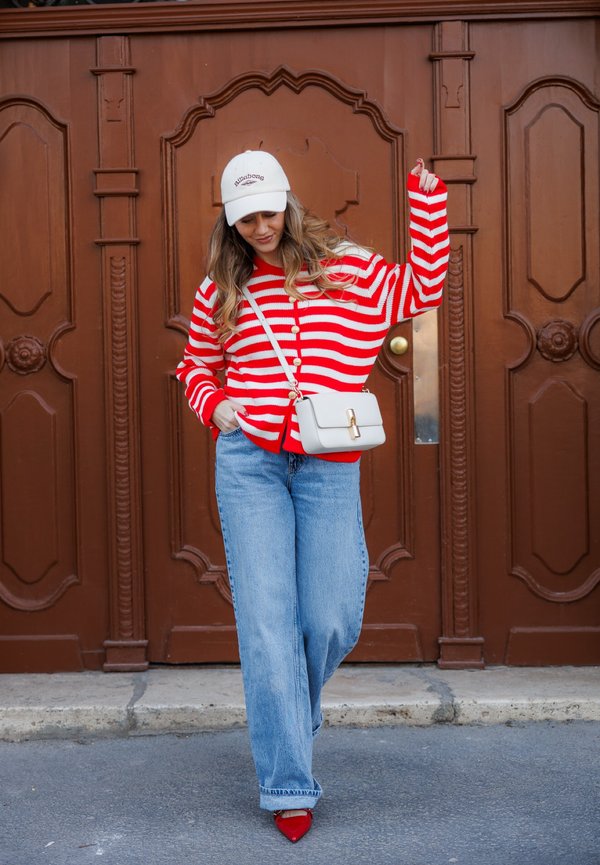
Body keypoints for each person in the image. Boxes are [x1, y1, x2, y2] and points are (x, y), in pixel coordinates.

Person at [176, 149, 449, 842]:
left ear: (288, 204)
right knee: (267, 623)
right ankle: (288, 782)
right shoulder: (222, 286)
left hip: (328, 462)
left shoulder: (348, 268)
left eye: (268, 213)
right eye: (245, 220)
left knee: (330, 616)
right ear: (230, 221)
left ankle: (289, 714)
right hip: (250, 464)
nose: (260, 228)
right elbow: (196, 365)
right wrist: (215, 407)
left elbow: (421, 289)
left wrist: (428, 204)